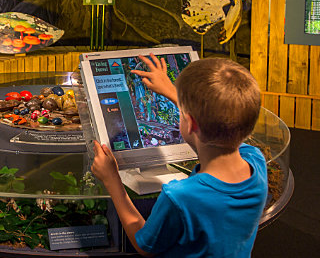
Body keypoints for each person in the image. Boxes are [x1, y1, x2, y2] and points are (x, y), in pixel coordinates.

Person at [91, 55, 268, 257]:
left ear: (190, 123)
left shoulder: (181, 197)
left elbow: (144, 245)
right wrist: (173, 93)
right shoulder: (256, 160)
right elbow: (221, 133)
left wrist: (112, 179)